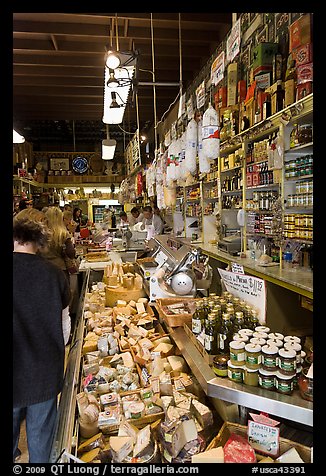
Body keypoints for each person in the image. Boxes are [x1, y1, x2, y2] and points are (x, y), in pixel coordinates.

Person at [13, 208, 71, 463]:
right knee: (40, 443)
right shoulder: (55, 275)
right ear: (43, 238)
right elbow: (65, 331)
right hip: (43, 373)